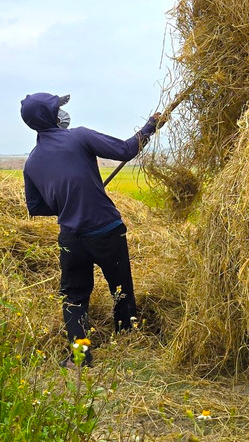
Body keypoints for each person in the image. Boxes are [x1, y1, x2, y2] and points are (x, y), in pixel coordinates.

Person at [20, 92, 163, 368]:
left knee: (74, 297)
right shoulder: (79, 137)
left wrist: (67, 202)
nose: (62, 112)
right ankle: (126, 340)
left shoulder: (32, 162)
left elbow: (35, 207)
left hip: (71, 238)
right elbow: (125, 150)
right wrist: (149, 127)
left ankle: (79, 357)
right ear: (51, 115)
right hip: (105, 229)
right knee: (120, 287)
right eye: (58, 107)